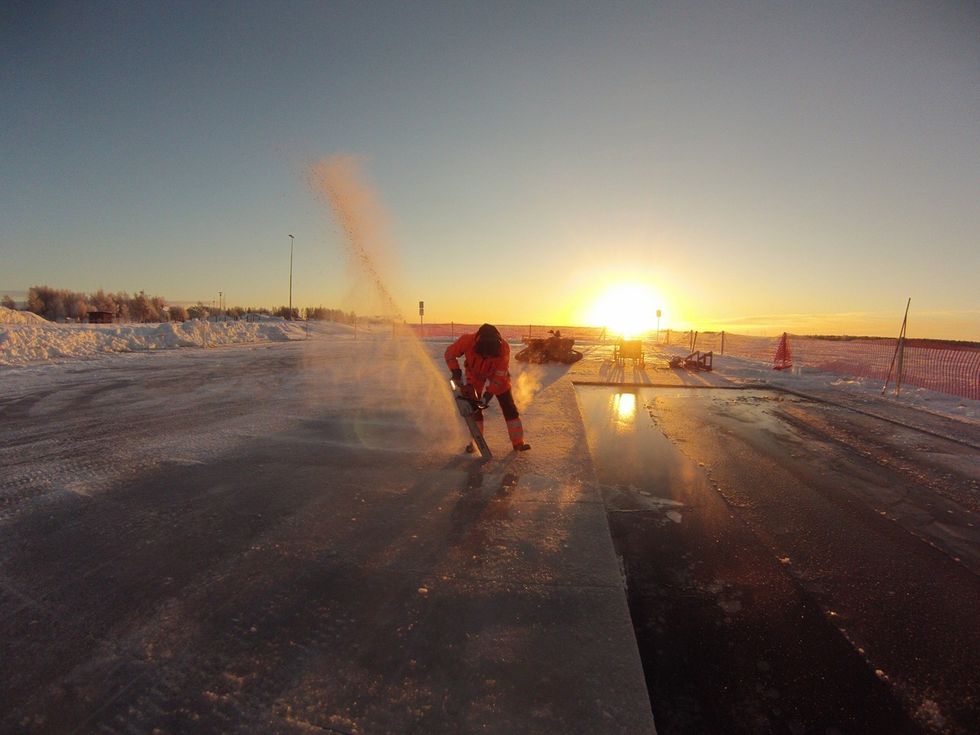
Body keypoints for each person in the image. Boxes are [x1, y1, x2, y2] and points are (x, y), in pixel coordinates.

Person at [445, 323, 531, 452]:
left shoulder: (504, 348)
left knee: (509, 408)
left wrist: (488, 395)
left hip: (497, 376)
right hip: (474, 376)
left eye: (490, 355)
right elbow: (450, 354)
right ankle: (475, 443)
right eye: (484, 354)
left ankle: (518, 443)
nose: (487, 357)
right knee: (474, 410)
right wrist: (456, 371)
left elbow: (500, 375)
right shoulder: (467, 341)